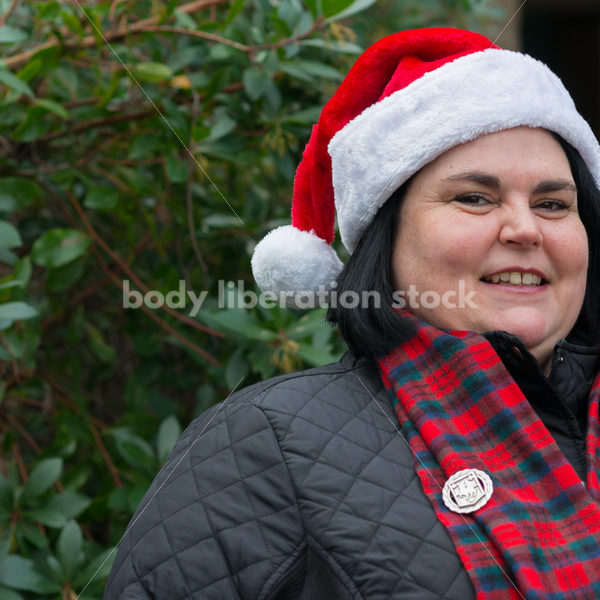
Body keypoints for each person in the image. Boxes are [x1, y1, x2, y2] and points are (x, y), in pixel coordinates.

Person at [103, 27, 600, 599]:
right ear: (386, 240)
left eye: (554, 204)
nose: (525, 228)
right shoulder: (264, 445)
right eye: (475, 197)